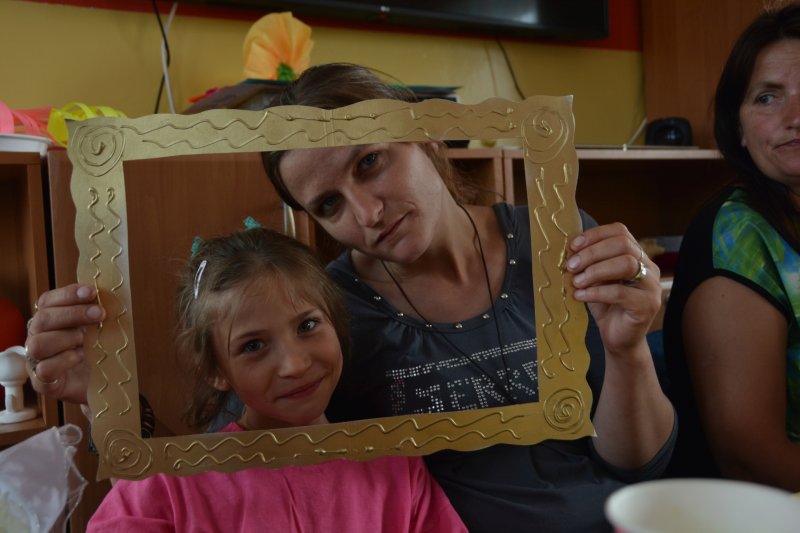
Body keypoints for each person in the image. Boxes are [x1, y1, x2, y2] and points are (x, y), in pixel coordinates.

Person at [26, 63, 675, 532]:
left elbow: (638, 463)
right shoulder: (322, 316)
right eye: (329, 205)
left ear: (426, 135)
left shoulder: (558, 239)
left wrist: (628, 351)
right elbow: (227, 473)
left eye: (369, 162)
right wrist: (107, 400)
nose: (367, 214)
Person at [86, 225, 467, 532]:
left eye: (307, 325)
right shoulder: (167, 483)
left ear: (335, 322)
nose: (294, 365)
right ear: (215, 371)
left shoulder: (396, 470)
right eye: (253, 346)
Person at [663, 3, 800, 491]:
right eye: (767, 97)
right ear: (738, 127)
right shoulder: (736, 236)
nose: (795, 117)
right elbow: (752, 461)